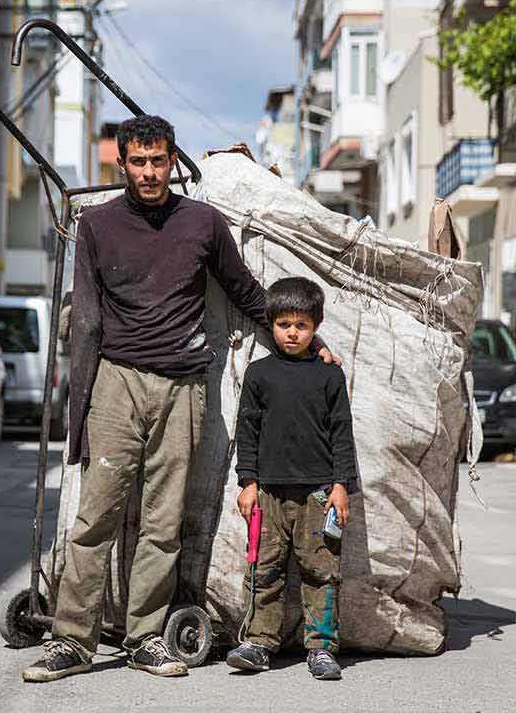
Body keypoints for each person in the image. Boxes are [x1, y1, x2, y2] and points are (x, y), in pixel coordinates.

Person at [22, 116, 336, 683]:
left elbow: (245, 291)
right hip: (117, 382)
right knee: (96, 517)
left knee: (163, 522)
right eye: (138, 162)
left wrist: (311, 344)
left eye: (158, 161)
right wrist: (80, 406)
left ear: (172, 161)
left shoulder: (202, 223)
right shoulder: (97, 225)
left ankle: (144, 638)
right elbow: (87, 316)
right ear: (122, 164)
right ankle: (71, 641)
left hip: (185, 386)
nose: (148, 172)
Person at [226, 276, 357, 681]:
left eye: (302, 325)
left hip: (319, 494)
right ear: (271, 325)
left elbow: (342, 432)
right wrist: (247, 482)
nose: (293, 333)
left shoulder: (329, 376)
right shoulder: (259, 374)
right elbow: (247, 430)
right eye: (284, 324)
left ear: (316, 326)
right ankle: (259, 643)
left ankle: (321, 648)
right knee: (264, 569)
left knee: (321, 572)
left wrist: (341, 485)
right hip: (267, 493)